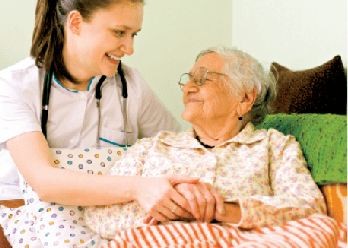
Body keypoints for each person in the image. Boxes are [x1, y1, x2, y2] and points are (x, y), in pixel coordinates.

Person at [0, 0, 200, 247]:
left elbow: (178, 151)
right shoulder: (16, 83)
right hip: (6, 205)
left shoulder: (131, 85)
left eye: (134, 35)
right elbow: (44, 181)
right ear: (76, 23)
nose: (128, 48)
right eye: (119, 32)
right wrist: (138, 187)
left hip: (93, 217)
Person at [79, 46, 326, 239]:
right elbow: (97, 214)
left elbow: (309, 207)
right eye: (188, 79)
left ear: (244, 97)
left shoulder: (275, 147)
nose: (186, 88)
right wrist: (172, 204)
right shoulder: (152, 148)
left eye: (200, 79)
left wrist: (223, 210)